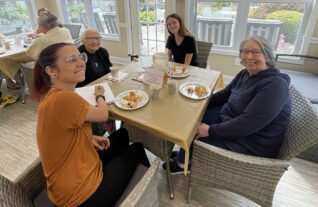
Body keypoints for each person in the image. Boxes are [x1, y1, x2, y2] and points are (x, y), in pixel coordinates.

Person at [32, 42, 150, 206]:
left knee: (122, 134)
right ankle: (144, 196)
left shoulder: (52, 97)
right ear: (52, 71)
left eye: (81, 57)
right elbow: (103, 115)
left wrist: (89, 137)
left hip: (72, 177)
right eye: (71, 59)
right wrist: (100, 96)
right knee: (137, 148)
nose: (81, 63)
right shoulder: (65, 99)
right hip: (81, 195)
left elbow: (63, 135)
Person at [165, 35, 291, 174]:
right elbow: (224, 95)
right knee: (194, 118)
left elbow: (247, 124)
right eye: (245, 51)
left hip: (251, 142)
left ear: (267, 56)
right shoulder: (246, 73)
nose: (249, 56)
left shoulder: (275, 86)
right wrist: (197, 102)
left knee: (195, 133)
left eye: (255, 52)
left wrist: (210, 130)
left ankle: (183, 165)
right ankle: (186, 156)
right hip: (232, 119)